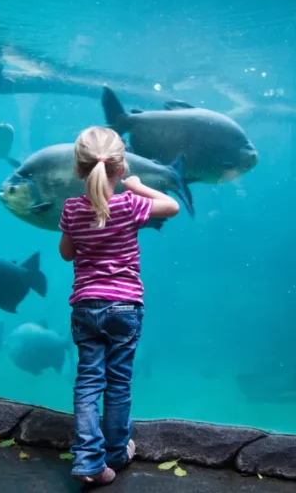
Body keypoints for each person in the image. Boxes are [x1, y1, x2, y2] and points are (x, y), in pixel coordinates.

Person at [58, 126, 180, 485]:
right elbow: (171, 206)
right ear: (120, 167)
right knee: (118, 383)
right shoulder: (128, 204)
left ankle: (87, 461)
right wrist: (138, 186)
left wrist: (82, 235)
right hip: (124, 307)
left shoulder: (71, 208)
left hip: (85, 307)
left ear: (80, 170)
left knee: (88, 381)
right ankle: (114, 453)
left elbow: (66, 254)